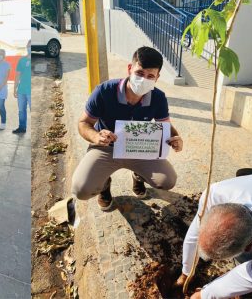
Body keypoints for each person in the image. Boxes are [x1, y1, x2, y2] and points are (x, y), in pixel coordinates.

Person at [70, 46, 183, 211]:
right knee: (81, 190)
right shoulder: (104, 91)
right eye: (139, 73)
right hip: (105, 148)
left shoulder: (158, 98)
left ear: (157, 78)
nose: (144, 79)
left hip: (140, 149)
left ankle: (138, 176)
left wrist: (176, 138)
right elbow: (83, 123)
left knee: (167, 181)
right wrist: (96, 137)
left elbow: (165, 125)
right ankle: (104, 184)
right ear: (130, 68)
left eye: (150, 76)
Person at [175, 170, 252, 299]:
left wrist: (203, 294)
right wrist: (186, 272)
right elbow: (194, 234)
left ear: (248, 247)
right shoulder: (214, 194)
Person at [13, 40, 32, 134]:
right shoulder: (22, 60)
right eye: (28, 46)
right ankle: (22, 128)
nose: (29, 48)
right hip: (21, 91)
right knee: (21, 111)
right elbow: (17, 75)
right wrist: (14, 88)